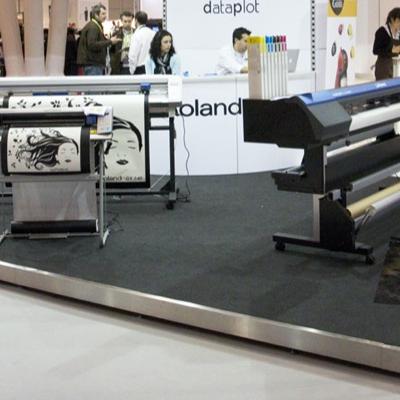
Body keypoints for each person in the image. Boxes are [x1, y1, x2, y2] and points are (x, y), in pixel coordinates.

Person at [77, 3, 121, 75]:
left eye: (105, 14)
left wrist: (109, 41)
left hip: (93, 64)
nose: (105, 16)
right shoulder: (93, 27)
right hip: (93, 64)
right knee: (93, 83)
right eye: (103, 14)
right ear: (96, 15)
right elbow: (92, 45)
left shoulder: (95, 26)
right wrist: (110, 42)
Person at [373, 7, 400, 80]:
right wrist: (392, 51)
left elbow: (396, 50)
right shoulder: (382, 31)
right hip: (382, 66)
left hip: (391, 65)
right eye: (398, 21)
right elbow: (375, 51)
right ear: (392, 19)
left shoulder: (397, 33)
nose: (399, 24)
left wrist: (396, 51)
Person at [110, 11, 134, 75]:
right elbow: (111, 51)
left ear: (132, 21)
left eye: (129, 21)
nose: (127, 23)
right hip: (119, 65)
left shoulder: (136, 33)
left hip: (133, 65)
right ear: (121, 21)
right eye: (125, 21)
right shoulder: (116, 34)